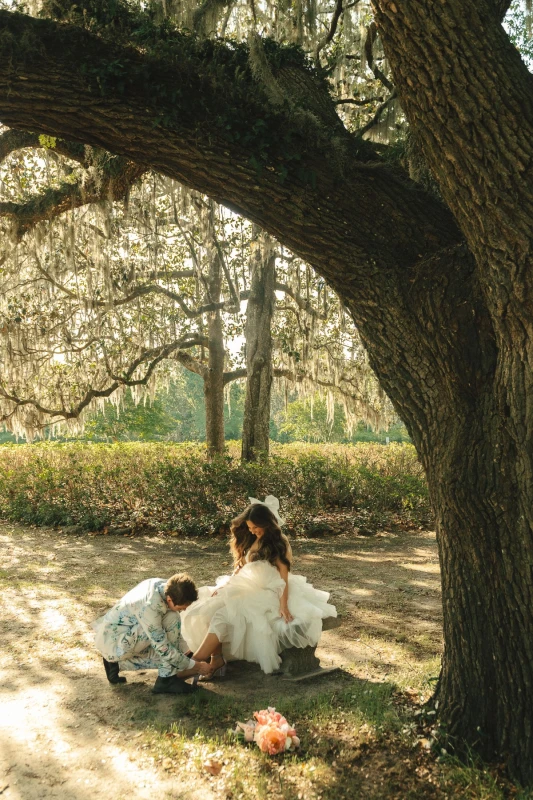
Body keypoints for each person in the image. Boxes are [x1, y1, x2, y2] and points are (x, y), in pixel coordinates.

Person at [181, 496, 337, 677]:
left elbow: (284, 576)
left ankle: (194, 663)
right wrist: (226, 585)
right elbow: (242, 568)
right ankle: (215, 658)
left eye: (256, 527)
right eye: (250, 527)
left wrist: (284, 605)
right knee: (208, 606)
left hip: (268, 592)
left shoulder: (279, 542)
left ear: (267, 524)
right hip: (246, 587)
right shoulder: (251, 538)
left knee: (221, 616)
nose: (252, 531)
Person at [92, 572, 211, 694]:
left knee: (173, 620)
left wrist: (189, 653)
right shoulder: (150, 607)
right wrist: (196, 666)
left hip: (125, 633)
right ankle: (165, 681)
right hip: (113, 643)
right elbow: (163, 648)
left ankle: (117, 666)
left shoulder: (166, 587)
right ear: (170, 600)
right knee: (168, 656)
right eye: (182, 607)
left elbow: (173, 631)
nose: (184, 609)